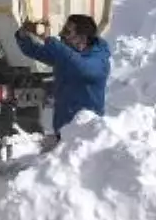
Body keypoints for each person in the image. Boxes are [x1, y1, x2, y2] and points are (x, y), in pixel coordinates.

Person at [14, 14, 110, 143]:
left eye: (67, 31)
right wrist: (23, 35)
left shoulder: (98, 60)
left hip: (86, 135)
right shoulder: (67, 56)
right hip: (63, 130)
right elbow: (35, 51)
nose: (61, 34)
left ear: (81, 38)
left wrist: (50, 40)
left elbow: (82, 68)